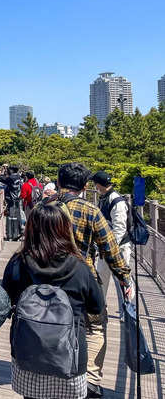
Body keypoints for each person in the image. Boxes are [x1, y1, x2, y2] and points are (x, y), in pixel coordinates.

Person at [2, 203, 105, 399]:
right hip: (69, 358)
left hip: (28, 354)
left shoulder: (19, 262)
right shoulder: (79, 267)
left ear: (30, 229)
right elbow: (97, 306)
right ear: (64, 229)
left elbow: (6, 298)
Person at [55, 163, 132, 398]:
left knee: (53, 323)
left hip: (46, 278)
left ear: (59, 183)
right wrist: (124, 278)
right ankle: (91, 381)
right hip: (82, 278)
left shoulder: (44, 207)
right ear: (85, 186)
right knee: (96, 325)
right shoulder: (91, 210)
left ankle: (55, 374)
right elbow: (110, 249)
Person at [91, 171, 132, 303]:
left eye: (95, 184)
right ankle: (100, 308)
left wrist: (109, 248)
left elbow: (120, 229)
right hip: (106, 247)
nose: (95, 187)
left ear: (99, 184)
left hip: (118, 248)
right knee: (101, 278)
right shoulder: (105, 197)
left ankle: (128, 310)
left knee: (123, 280)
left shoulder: (116, 201)